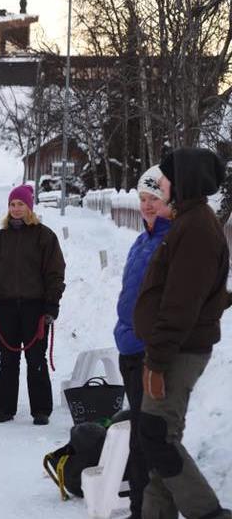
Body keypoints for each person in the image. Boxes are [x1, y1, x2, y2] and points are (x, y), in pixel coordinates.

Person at [133, 148, 231, 519]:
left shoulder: (196, 228)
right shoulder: (191, 222)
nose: (161, 183)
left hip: (177, 352)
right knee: (160, 439)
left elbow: (180, 304)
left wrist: (156, 361)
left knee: (157, 437)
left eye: (167, 177)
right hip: (172, 349)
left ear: (185, 180)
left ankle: (208, 513)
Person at [0, 184, 65, 425]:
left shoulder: (44, 236)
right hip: (6, 306)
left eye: (20, 205)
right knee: (7, 360)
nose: (16, 209)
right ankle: (5, 408)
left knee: (36, 359)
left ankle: (41, 409)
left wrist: (52, 304)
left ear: (29, 207)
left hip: (34, 307)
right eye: (12, 205)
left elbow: (55, 272)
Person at [113, 165, 171, 517]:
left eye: (155, 199)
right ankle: (141, 506)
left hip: (151, 352)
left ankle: (146, 510)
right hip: (129, 349)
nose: (148, 206)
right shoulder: (143, 239)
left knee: (149, 439)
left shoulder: (171, 241)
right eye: (143, 198)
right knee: (139, 435)